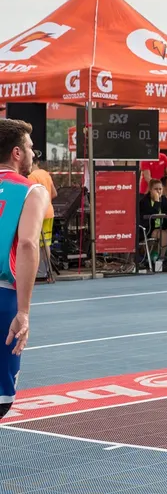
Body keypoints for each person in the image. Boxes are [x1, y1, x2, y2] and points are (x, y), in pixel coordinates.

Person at [0, 120, 48, 421]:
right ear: (17, 153)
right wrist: (24, 311)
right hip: (4, 295)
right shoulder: (32, 190)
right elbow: (29, 244)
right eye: (30, 147)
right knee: (1, 397)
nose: (33, 153)